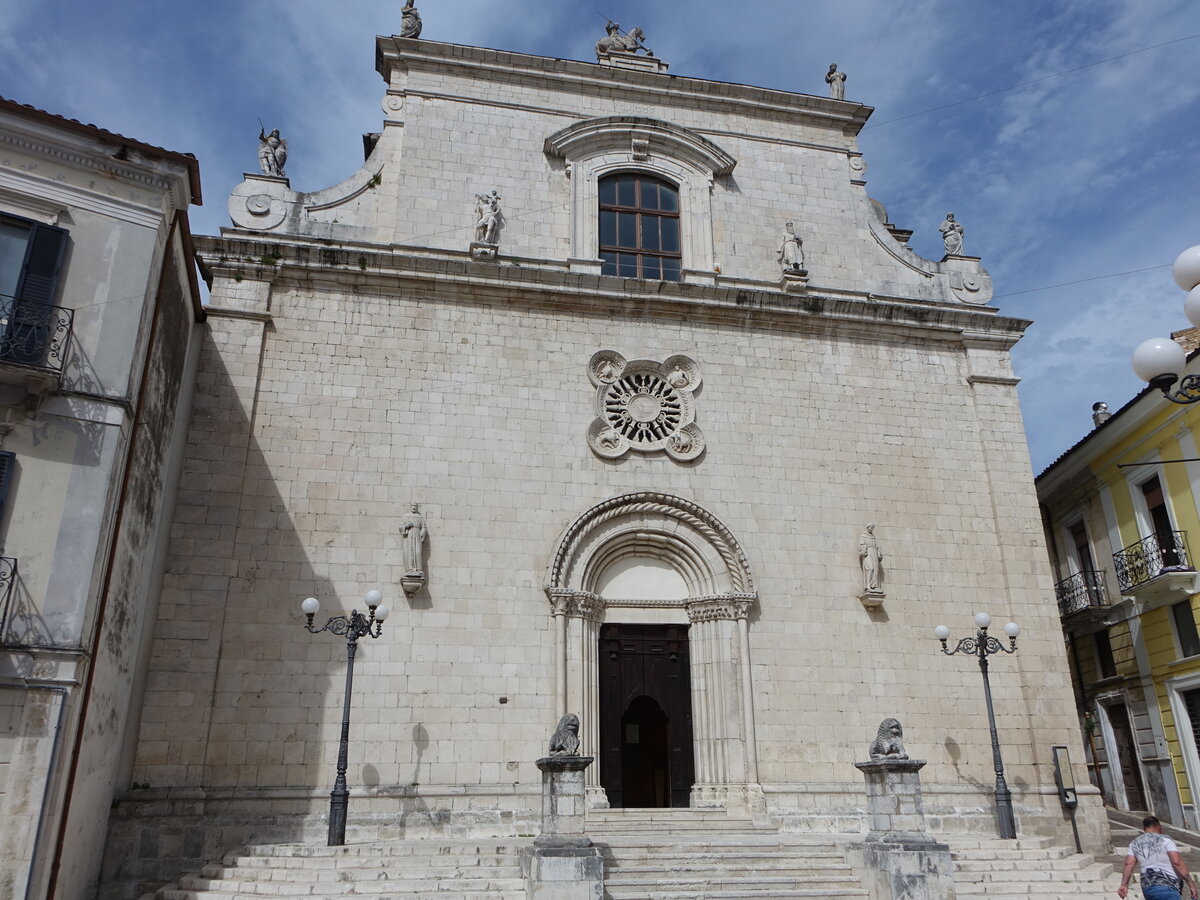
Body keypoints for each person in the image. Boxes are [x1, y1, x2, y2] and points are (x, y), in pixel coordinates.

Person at [1118, 816, 1197, 900]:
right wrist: (1191, 885)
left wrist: (1124, 885)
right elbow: (1176, 862)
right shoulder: (1166, 840)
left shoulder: (1135, 843)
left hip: (1147, 888)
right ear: (1159, 827)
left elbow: (1129, 864)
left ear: (1144, 829)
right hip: (1168, 887)